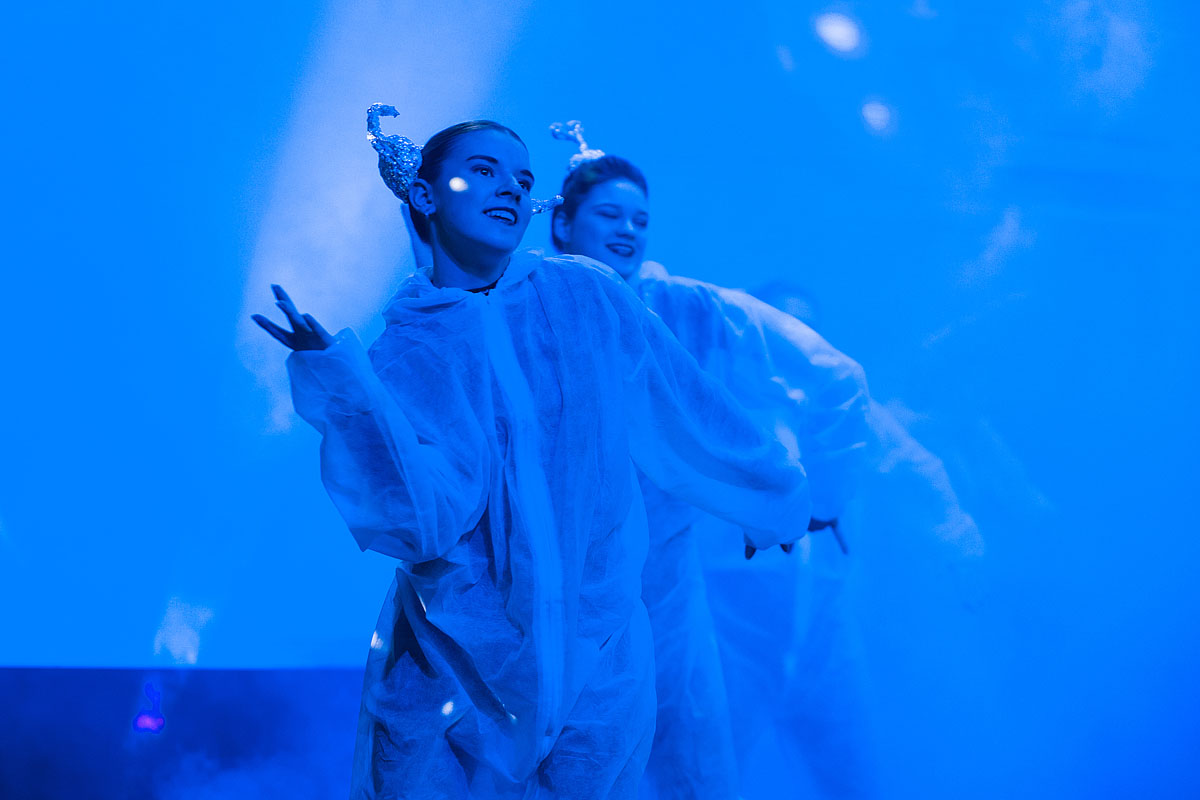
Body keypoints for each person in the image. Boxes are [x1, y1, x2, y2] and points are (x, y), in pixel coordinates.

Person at [252, 104, 812, 800]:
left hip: (599, 660)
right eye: (483, 171)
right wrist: (345, 387)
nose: (510, 189)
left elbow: (683, 403)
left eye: (522, 179)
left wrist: (773, 498)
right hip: (453, 666)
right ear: (424, 194)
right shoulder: (407, 351)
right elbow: (421, 520)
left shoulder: (584, 297)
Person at [548, 123, 873, 799]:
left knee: (694, 776)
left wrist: (809, 505)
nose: (628, 230)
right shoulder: (523, 311)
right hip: (555, 596)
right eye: (609, 214)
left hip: (669, 601)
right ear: (561, 224)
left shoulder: (693, 310)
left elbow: (839, 378)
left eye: (640, 219)